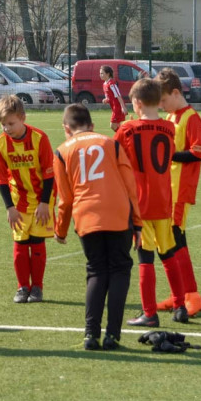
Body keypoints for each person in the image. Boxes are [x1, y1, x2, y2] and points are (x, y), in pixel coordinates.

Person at [53, 104, 142, 350]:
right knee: (120, 269)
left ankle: (90, 335)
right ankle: (112, 335)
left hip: (86, 215)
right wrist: (137, 223)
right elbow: (130, 186)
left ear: (66, 128)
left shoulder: (61, 151)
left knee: (96, 271)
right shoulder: (111, 144)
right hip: (118, 213)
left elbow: (65, 199)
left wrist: (60, 230)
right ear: (92, 126)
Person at [116, 78, 188, 327]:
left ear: (136, 103)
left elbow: (116, 158)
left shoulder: (127, 128)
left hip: (140, 204)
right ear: (158, 101)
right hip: (164, 201)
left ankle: (149, 313)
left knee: (145, 258)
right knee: (169, 254)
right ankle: (180, 305)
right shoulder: (170, 128)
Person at [0, 95, 55, 303]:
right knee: (20, 244)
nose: (7, 128)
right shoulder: (0, 144)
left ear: (23, 118)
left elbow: (49, 174)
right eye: (3, 124)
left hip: (42, 200)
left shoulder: (39, 138)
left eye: (11, 123)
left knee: (36, 243)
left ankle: (37, 287)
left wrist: (44, 203)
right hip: (18, 202)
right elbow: (1, 179)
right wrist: (9, 207)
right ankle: (22, 287)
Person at [155, 68, 201, 317]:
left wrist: (169, 156)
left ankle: (192, 295)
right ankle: (179, 293)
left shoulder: (190, 117)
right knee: (170, 240)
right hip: (167, 189)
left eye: (163, 100)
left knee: (176, 239)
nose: (161, 105)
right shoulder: (171, 116)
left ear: (176, 93)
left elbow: (198, 152)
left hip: (180, 190)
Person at [100, 65, 127, 132]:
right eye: (100, 73)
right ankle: (124, 136)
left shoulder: (112, 84)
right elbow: (109, 97)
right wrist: (106, 100)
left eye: (102, 73)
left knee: (112, 125)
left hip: (118, 107)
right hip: (114, 107)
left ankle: (123, 136)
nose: (100, 75)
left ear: (108, 74)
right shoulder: (104, 84)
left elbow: (118, 96)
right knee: (117, 125)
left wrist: (123, 107)